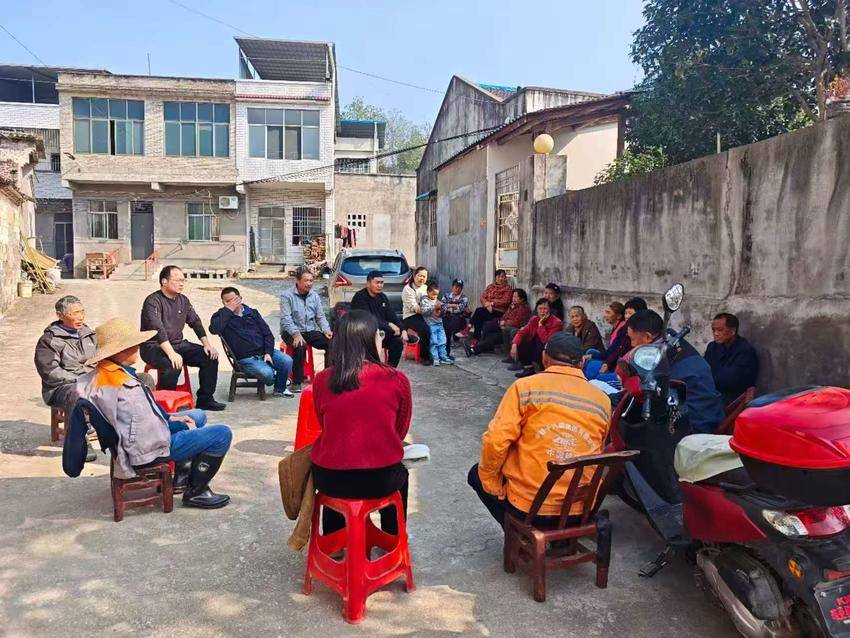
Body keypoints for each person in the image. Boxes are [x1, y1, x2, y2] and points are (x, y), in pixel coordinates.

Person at [79, 318, 232, 508]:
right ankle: (196, 492)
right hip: (145, 448)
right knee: (222, 434)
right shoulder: (126, 388)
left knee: (198, 415)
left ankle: (182, 477)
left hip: (130, 439)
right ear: (121, 351)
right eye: (133, 345)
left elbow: (144, 416)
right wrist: (180, 426)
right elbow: (149, 428)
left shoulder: (105, 374)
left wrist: (171, 417)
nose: (138, 348)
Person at [468, 333, 611, 529]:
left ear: (544, 357)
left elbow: (496, 441)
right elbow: (599, 447)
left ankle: (518, 533)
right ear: (581, 363)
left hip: (530, 508)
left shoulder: (524, 387)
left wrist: (492, 482)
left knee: (476, 474)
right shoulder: (602, 400)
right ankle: (558, 536)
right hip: (580, 508)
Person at [310, 310, 412, 535]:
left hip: (330, 479)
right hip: (381, 479)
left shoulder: (322, 380)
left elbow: (325, 424)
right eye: (379, 335)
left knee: (333, 465)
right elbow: (400, 431)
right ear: (371, 340)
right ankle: (393, 536)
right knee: (401, 473)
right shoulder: (396, 379)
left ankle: (334, 540)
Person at [140, 265, 225, 411]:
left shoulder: (183, 300)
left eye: (183, 280)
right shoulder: (153, 301)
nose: (181, 284)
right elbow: (158, 329)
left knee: (210, 357)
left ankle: (205, 400)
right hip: (153, 346)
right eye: (178, 280)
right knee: (171, 364)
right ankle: (164, 405)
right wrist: (171, 353)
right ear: (164, 281)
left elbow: (195, 322)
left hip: (178, 344)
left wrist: (207, 345)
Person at [626, 310, 724, 434]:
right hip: (711, 414)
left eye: (632, 339)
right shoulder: (674, 342)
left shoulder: (663, 358)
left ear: (647, 337)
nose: (632, 344)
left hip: (696, 425)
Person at [210, 287, 293, 398]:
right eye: (227, 301)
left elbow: (268, 334)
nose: (231, 303)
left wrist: (268, 352)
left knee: (286, 361)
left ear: (240, 298)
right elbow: (214, 329)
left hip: (264, 351)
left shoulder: (252, 313)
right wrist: (228, 310)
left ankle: (280, 389)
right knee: (267, 373)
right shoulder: (221, 316)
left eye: (233, 300)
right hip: (245, 358)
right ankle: (278, 377)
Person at [35, 295, 97, 416]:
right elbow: (50, 372)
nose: (80, 317)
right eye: (75, 313)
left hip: (90, 381)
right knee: (79, 394)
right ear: (60, 315)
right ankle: (82, 427)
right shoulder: (49, 340)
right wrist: (80, 379)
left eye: (82, 312)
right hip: (61, 387)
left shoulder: (89, 334)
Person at [280, 266, 333, 392]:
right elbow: (286, 319)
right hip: (290, 332)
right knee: (299, 345)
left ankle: (328, 378)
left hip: (309, 331)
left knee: (332, 343)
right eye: (306, 280)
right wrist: (296, 334)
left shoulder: (314, 296)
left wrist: (326, 330)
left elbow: (320, 316)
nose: (309, 283)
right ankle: (297, 382)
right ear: (298, 281)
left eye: (311, 280)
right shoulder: (287, 296)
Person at [350, 270, 407, 367]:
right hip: (365, 334)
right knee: (380, 337)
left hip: (382, 332)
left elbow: (392, 315)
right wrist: (389, 324)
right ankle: (374, 369)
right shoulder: (359, 297)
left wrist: (403, 330)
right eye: (377, 282)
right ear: (368, 283)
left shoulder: (382, 297)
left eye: (382, 283)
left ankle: (390, 369)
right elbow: (368, 319)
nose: (380, 285)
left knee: (397, 342)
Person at [704, 312, 760, 406]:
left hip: (732, 398)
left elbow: (728, 381)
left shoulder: (744, 350)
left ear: (733, 331)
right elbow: (703, 370)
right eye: (713, 330)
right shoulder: (712, 347)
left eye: (720, 330)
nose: (716, 334)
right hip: (712, 392)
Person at [463, 288, 531, 358]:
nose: (513, 299)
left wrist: (505, 323)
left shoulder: (523, 309)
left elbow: (517, 322)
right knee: (487, 325)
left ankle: (473, 350)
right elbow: (504, 316)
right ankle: (480, 346)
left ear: (522, 299)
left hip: (509, 331)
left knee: (492, 337)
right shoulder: (512, 306)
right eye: (513, 296)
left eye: (516, 297)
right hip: (503, 328)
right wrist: (500, 321)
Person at [509, 298, 563, 378]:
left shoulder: (556, 322)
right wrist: (514, 345)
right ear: (537, 310)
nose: (542, 311)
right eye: (540, 309)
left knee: (540, 345)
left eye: (545, 309)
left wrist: (541, 325)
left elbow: (546, 340)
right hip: (534, 345)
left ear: (549, 310)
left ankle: (540, 369)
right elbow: (522, 332)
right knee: (520, 341)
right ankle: (528, 368)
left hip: (545, 348)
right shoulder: (534, 319)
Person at [583, 301, 629, 377]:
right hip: (609, 355)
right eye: (606, 312)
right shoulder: (616, 327)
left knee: (590, 363)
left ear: (618, 316)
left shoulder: (622, 329)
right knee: (590, 352)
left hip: (614, 361)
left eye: (608, 313)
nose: (605, 316)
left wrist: (606, 363)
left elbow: (615, 352)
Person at [469, 270, 513, 340]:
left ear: (505, 278)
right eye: (498, 276)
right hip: (488, 309)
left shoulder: (508, 288)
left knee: (479, 312)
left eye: (502, 276)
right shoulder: (490, 286)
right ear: (495, 277)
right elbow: (482, 297)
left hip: (499, 312)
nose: (500, 279)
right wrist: (487, 305)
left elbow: (506, 301)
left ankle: (471, 331)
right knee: (479, 316)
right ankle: (476, 338)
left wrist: (492, 303)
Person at [400, 266, 432, 365]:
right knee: (425, 330)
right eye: (420, 276)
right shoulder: (408, 289)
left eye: (424, 276)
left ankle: (442, 353)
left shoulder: (426, 288)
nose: (422, 278)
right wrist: (430, 309)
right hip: (410, 316)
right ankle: (425, 356)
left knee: (444, 326)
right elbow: (416, 309)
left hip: (425, 313)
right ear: (414, 276)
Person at [420, 281, 454, 366]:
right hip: (431, 325)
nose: (435, 296)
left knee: (442, 341)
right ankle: (435, 358)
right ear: (428, 292)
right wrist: (434, 307)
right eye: (433, 294)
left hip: (439, 324)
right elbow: (424, 311)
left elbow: (443, 309)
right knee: (434, 342)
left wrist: (445, 309)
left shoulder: (437, 301)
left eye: (436, 295)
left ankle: (443, 356)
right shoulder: (425, 301)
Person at [440, 278, 470, 356]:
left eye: (460, 287)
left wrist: (449, 306)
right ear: (452, 287)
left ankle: (455, 339)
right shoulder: (446, 295)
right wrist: (454, 305)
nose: (457, 289)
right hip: (447, 317)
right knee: (444, 319)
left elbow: (460, 309)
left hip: (460, 320)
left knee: (455, 317)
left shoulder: (464, 298)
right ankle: (446, 340)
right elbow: (442, 306)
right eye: (456, 287)